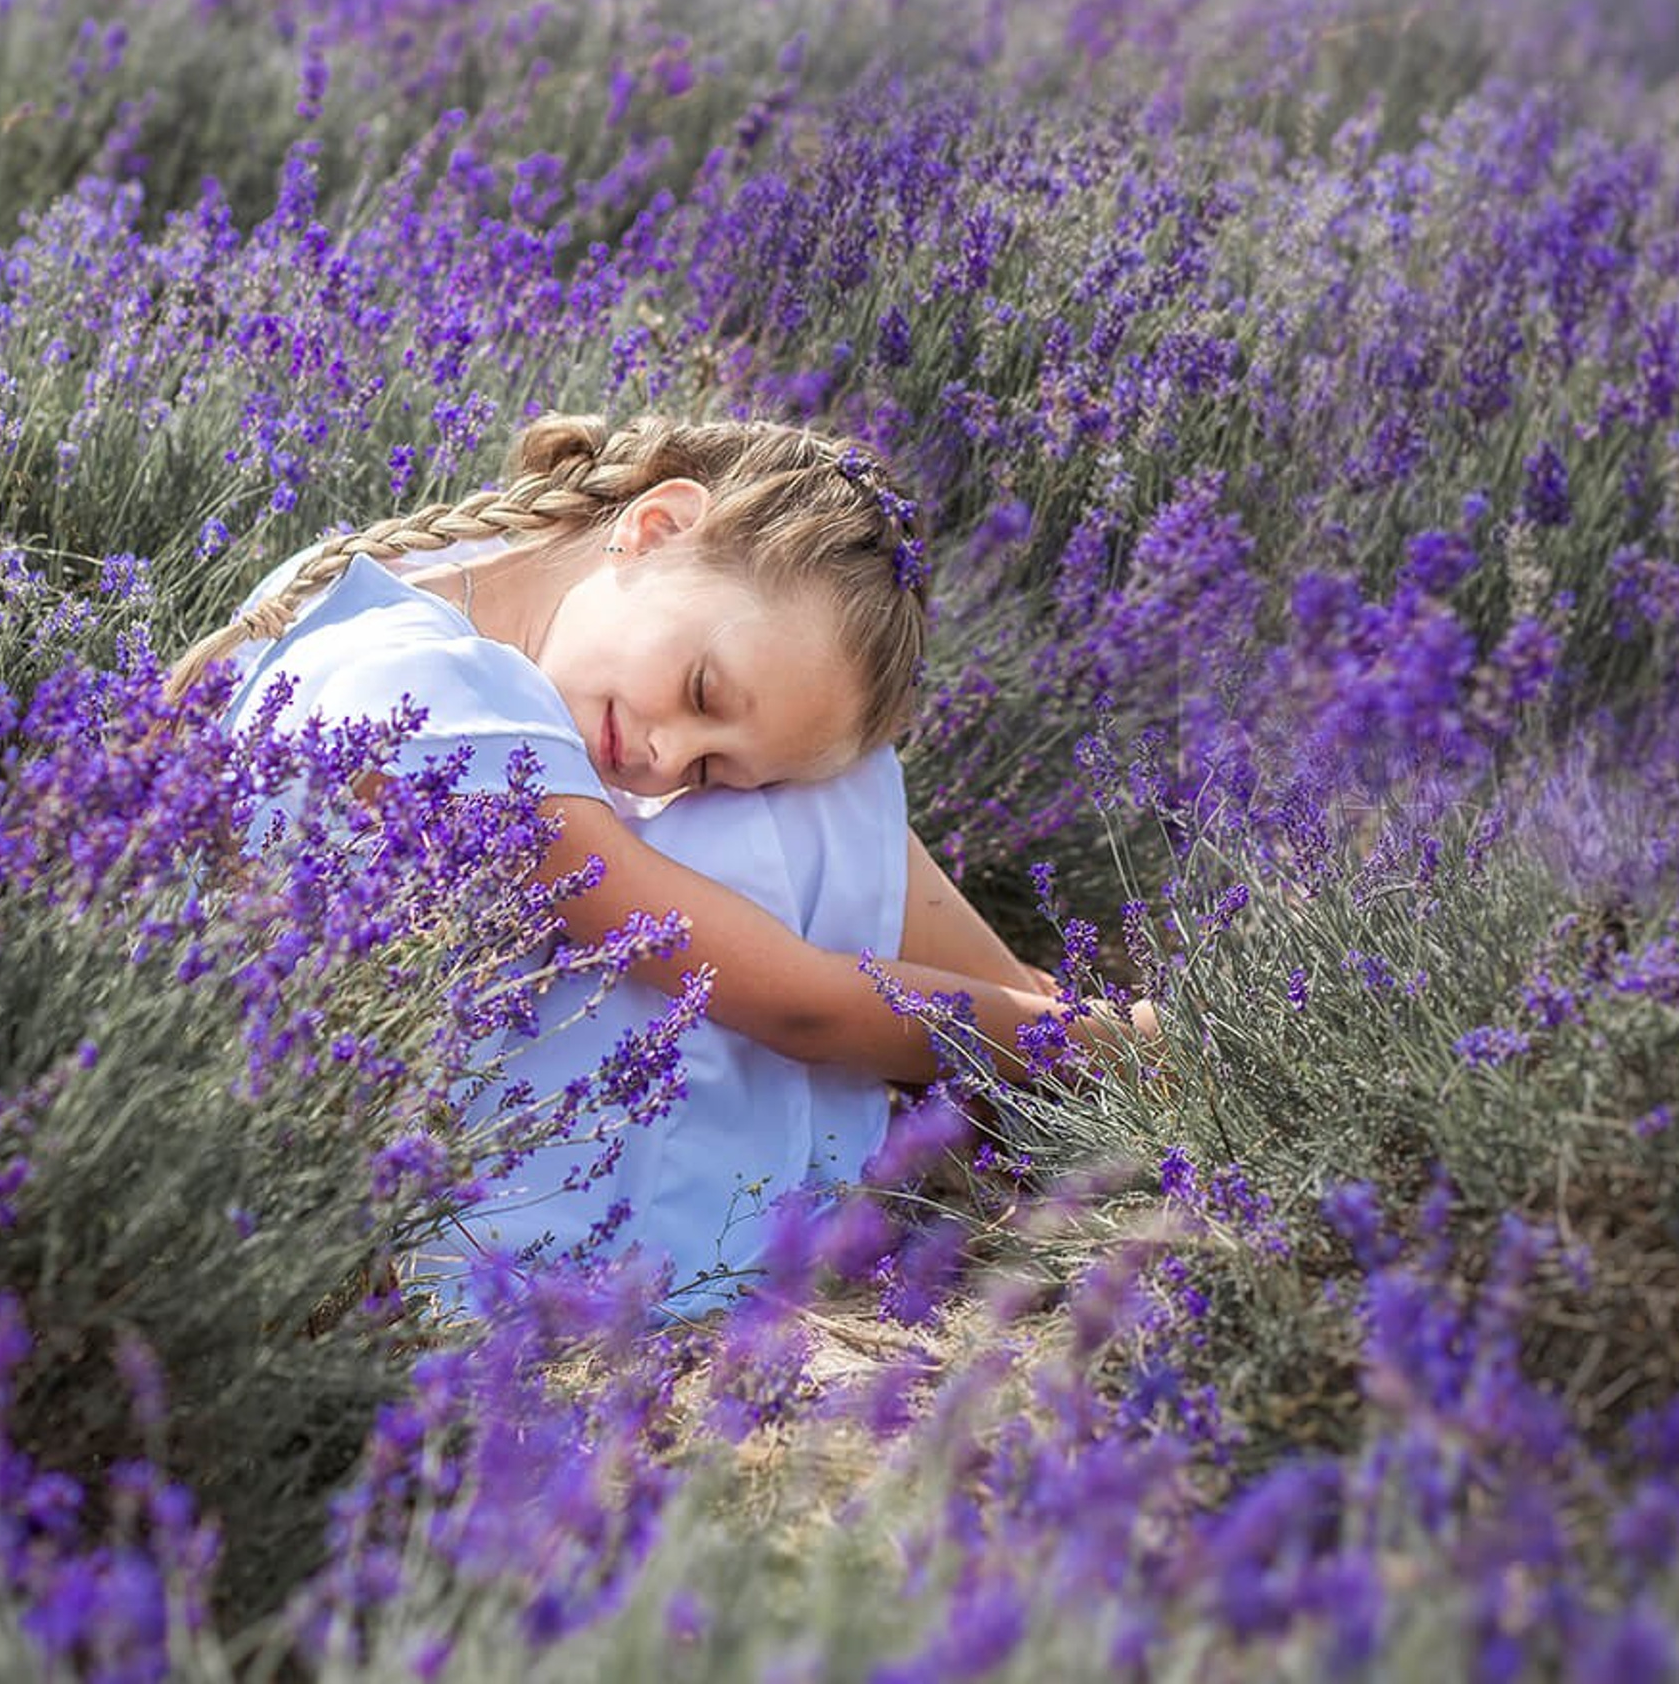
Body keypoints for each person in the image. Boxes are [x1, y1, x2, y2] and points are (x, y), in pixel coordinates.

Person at [167, 414, 1160, 1309]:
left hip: (418, 1100)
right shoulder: (435, 693)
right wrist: (1092, 1041)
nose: (667, 756)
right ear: (652, 527)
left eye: (712, 766)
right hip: (459, 1205)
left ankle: (1057, 1069)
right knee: (837, 801)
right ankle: (1091, 1065)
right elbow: (799, 1007)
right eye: (698, 688)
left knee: (818, 779)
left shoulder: (401, 584)